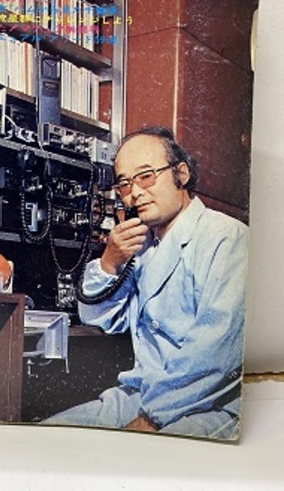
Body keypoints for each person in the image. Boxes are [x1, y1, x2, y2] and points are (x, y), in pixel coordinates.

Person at [43, 126, 248, 439]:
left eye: (146, 176)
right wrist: (110, 262)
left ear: (181, 174)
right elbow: (99, 318)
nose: (134, 192)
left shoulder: (227, 239)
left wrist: (151, 419)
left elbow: (216, 356)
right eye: (124, 183)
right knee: (48, 437)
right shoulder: (141, 247)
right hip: (141, 393)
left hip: (207, 402)